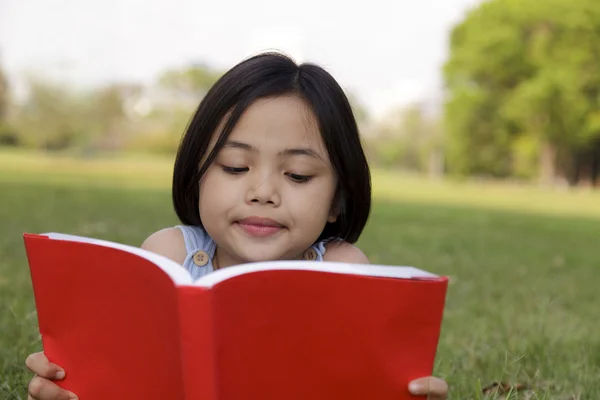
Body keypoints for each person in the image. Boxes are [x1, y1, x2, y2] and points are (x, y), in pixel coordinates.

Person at [24, 52, 448, 400]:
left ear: (338, 198)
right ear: (198, 175)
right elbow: (120, 370)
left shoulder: (345, 271)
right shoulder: (169, 257)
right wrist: (71, 380)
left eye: (298, 174)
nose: (263, 192)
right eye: (235, 166)